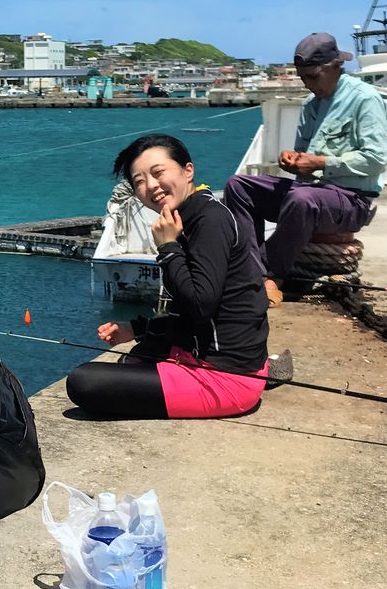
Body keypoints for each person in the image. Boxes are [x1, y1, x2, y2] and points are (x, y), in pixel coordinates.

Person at [66, 134, 269, 419]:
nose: (150, 186)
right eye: (139, 181)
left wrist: (167, 247)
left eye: (158, 173)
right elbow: (187, 313)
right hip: (203, 356)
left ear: (188, 171)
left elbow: (199, 306)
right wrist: (135, 329)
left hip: (225, 378)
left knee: (83, 382)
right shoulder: (188, 214)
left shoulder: (210, 220)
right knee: (132, 359)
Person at [224, 32, 387, 307]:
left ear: (335, 67)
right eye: (303, 78)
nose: (308, 84)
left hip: (352, 199)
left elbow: (376, 159)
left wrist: (321, 163)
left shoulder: (364, 99)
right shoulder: (309, 105)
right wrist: (294, 160)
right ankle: (249, 268)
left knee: (302, 199)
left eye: (313, 77)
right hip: (313, 193)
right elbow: (304, 169)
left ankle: (270, 275)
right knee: (238, 185)